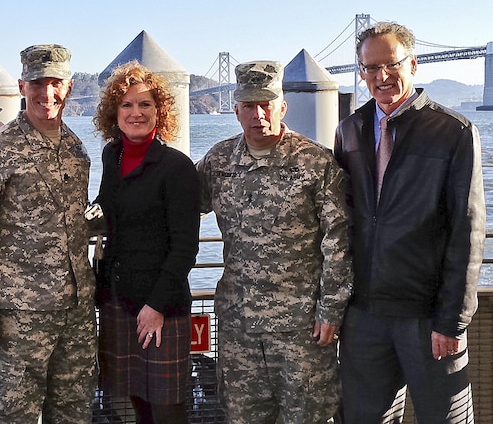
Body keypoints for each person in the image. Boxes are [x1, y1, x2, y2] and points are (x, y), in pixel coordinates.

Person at [334, 21, 485, 423]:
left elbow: (467, 233)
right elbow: (339, 221)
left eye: (391, 64)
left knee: (445, 418)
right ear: (361, 72)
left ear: (413, 64)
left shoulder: (453, 131)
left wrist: (452, 319)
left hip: (428, 315)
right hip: (364, 314)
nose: (381, 76)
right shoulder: (349, 129)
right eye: (370, 67)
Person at [196, 60, 352, 423]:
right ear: (236, 110)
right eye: (249, 105)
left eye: (266, 103)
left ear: (282, 106)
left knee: (308, 417)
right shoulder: (218, 162)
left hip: (301, 330)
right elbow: (177, 210)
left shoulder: (315, 163)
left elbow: (339, 241)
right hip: (239, 329)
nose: (258, 113)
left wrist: (330, 312)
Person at [0, 44, 97, 423]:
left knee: (74, 413)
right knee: (13, 416)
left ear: (70, 87)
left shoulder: (77, 151)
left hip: (75, 315)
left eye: (56, 83)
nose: (47, 94)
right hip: (16, 318)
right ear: (21, 86)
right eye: (37, 83)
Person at [92, 62, 200, 424]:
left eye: (145, 105)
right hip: (119, 300)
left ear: (160, 111)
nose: (136, 113)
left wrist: (156, 305)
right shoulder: (112, 156)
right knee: (137, 402)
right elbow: (108, 213)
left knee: (168, 409)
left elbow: (185, 247)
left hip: (161, 308)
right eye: (126, 105)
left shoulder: (177, 167)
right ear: (114, 112)